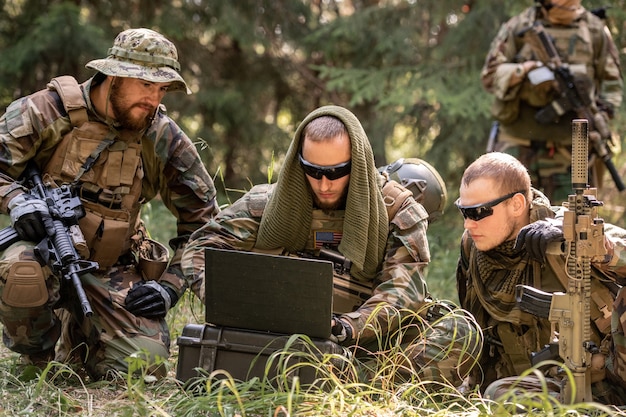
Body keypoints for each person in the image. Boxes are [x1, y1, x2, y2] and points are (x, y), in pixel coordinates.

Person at [182, 105, 481, 386]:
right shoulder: (266, 205)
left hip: (361, 340)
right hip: (270, 330)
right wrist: (236, 306)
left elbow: (403, 292)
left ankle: (350, 378)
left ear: (360, 162)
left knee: (461, 332)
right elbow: (199, 250)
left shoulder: (397, 211)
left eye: (337, 172)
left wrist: (346, 327)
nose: (324, 184)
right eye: (313, 170)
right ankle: (329, 377)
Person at [0, 28, 220, 379]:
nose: (154, 98)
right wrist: (16, 200)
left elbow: (206, 224)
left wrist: (169, 287)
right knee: (21, 270)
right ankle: (38, 359)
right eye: (146, 85)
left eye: (161, 89)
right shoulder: (45, 111)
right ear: (114, 75)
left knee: (143, 366)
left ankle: (79, 336)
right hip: (44, 251)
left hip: (111, 268)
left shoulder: (161, 136)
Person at [456, 151, 626, 404]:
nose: (468, 224)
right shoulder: (474, 247)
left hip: (609, 378)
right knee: (499, 395)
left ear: (516, 204)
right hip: (546, 384)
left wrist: (589, 244)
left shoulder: (568, 231)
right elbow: (477, 328)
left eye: (479, 212)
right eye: (464, 212)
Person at [481, 0, 623, 202]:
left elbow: (612, 85)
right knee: (504, 215)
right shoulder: (519, 26)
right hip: (517, 144)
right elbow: (490, 75)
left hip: (572, 151)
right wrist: (526, 70)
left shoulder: (595, 30)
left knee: (571, 224)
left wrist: (601, 114)